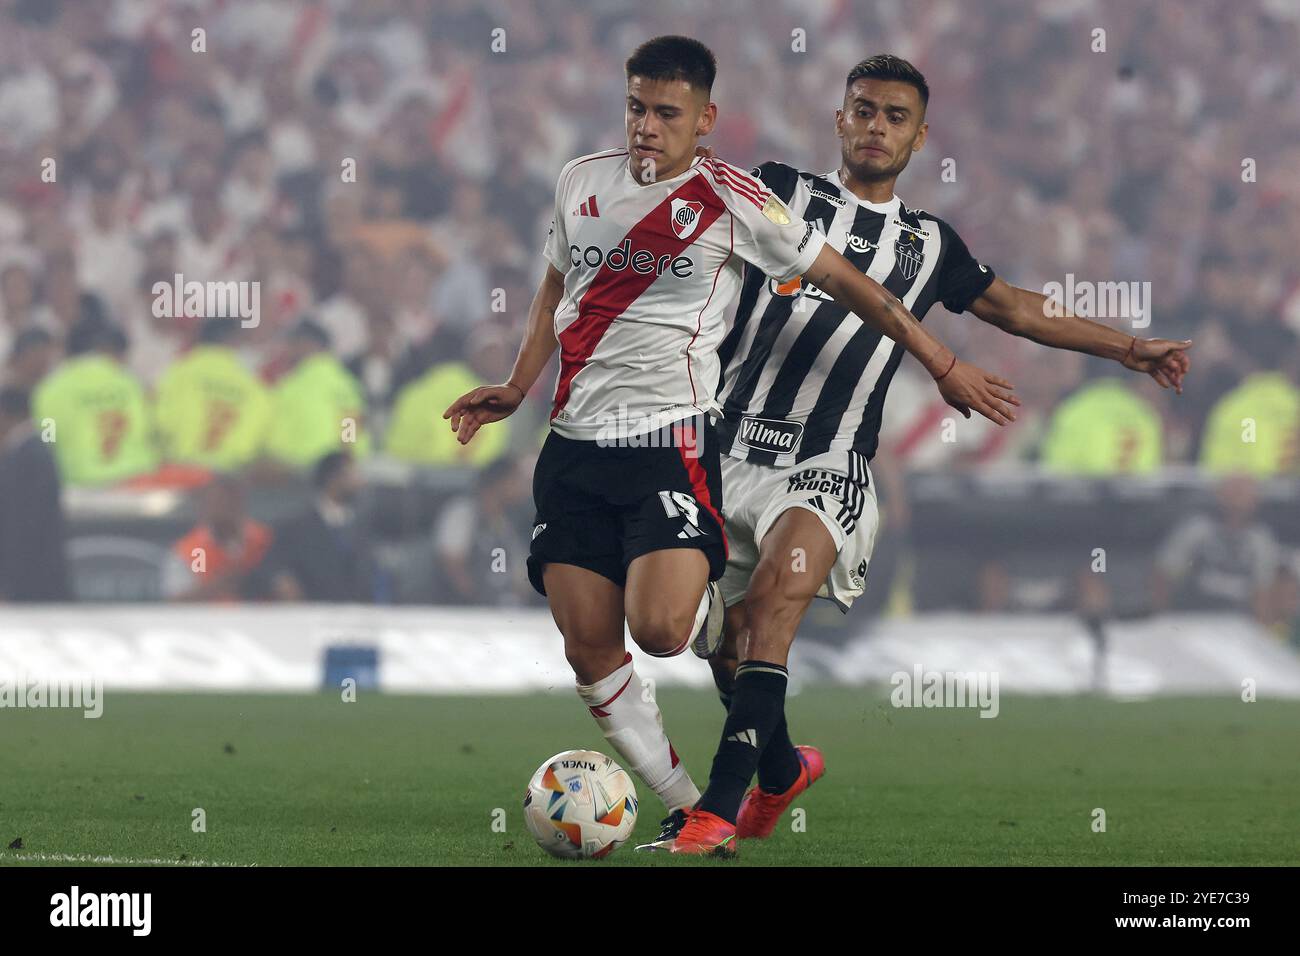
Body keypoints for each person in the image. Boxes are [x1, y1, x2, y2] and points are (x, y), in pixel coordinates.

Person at [444, 37, 1018, 828]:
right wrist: (516, 383)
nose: (647, 126)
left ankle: (741, 712)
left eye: (666, 113)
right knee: (589, 650)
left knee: (663, 629)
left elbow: (856, 288)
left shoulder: (738, 199)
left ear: (705, 119)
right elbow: (555, 284)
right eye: (637, 108)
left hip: (670, 444)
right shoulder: (580, 179)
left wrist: (941, 360)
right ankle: (690, 809)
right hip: (571, 446)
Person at [661, 55, 1194, 854]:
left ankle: (717, 809)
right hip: (724, 452)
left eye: (895, 116)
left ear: (920, 136)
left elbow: (1015, 307)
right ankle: (778, 771)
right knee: (722, 643)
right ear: (839, 118)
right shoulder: (778, 192)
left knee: (774, 605)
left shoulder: (928, 244)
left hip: (828, 462)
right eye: (864, 110)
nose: (877, 126)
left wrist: (1126, 349)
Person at [31, 315, 159, 486]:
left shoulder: (50, 389)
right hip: (136, 482)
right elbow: (150, 430)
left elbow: (48, 440)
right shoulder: (130, 382)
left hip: (79, 486)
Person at [257, 451, 380, 603]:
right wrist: (281, 580)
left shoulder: (361, 527)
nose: (361, 482)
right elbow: (270, 566)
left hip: (355, 617)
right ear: (333, 478)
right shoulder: (296, 527)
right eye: (353, 475)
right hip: (310, 616)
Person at [154, 317, 272, 471]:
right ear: (236, 340)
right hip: (228, 483)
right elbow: (260, 437)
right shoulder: (254, 387)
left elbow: (160, 422)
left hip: (180, 473)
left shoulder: (178, 373)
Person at [263, 318, 370, 469]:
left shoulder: (296, 383)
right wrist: (347, 455)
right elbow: (350, 419)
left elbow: (349, 416)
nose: (289, 349)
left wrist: (346, 455)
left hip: (305, 467)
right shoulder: (343, 381)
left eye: (294, 343)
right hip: (320, 467)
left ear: (308, 344)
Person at [0, 386, 70, 602]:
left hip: (31, 575)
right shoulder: (35, 451)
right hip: (38, 569)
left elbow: (20, 522)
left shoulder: (27, 456)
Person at [166, 475, 273, 602]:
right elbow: (177, 600)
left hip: (264, 617)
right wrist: (216, 586)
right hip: (209, 619)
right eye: (218, 502)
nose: (224, 509)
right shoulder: (194, 551)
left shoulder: (264, 540)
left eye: (231, 501)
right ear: (204, 506)